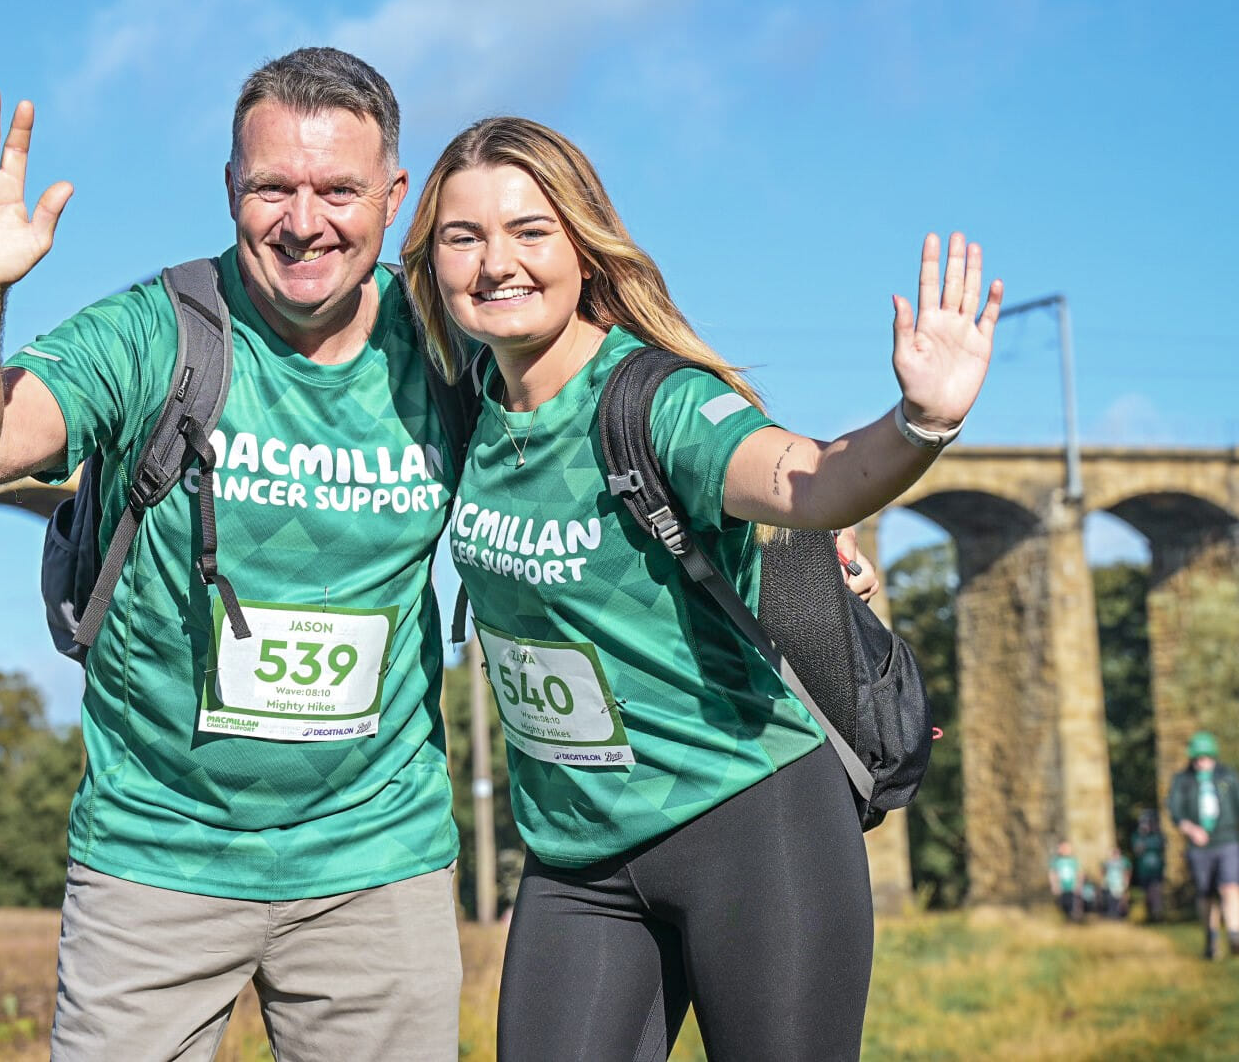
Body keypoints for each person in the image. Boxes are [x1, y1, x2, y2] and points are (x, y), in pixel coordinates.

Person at [399, 116, 1001, 1061]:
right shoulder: (453, 401)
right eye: (462, 237)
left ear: (585, 248)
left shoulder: (657, 403)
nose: (494, 262)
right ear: (430, 260)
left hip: (753, 824)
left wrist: (919, 424)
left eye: (529, 230)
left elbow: (809, 479)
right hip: (575, 852)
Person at [0, 48, 466, 1061]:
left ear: (393, 197)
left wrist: (800, 542)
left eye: (338, 189)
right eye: (271, 189)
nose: (304, 222)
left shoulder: (448, 350)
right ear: (228, 190)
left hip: (376, 858)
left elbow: (588, 455)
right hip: (154, 856)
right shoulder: (153, 335)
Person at [1167, 729, 1239, 960]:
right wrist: (1192, 830)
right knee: (1206, 893)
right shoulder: (1182, 781)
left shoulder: (1228, 778)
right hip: (1199, 847)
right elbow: (1175, 813)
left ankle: (1235, 934)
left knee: (1230, 886)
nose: (1202, 762)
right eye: (1198, 758)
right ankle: (1211, 937)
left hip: (1228, 841)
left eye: (1206, 757)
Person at [1131, 808, 1167, 923]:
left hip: (1156, 870)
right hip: (1144, 870)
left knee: (1156, 891)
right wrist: (1142, 835)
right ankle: (1149, 915)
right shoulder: (1137, 836)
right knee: (1147, 894)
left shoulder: (1158, 835)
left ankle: (1157, 915)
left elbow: (1164, 848)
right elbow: (1137, 851)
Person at [1050, 841, 1085, 923]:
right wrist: (1054, 885)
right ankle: (1066, 920)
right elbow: (1052, 873)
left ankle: (1072, 920)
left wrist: (1079, 885)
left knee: (1072, 904)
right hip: (1061, 887)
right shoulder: (1056, 860)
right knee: (1063, 904)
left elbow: (1080, 873)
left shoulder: (1074, 860)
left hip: (1072, 887)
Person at [1102, 847, 1132, 920]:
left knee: (1121, 901)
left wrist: (1126, 881)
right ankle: (1112, 915)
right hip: (1110, 885)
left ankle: (1120, 916)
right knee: (1111, 901)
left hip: (1120, 885)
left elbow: (1128, 871)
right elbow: (1103, 871)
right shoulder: (1108, 862)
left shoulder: (1124, 862)